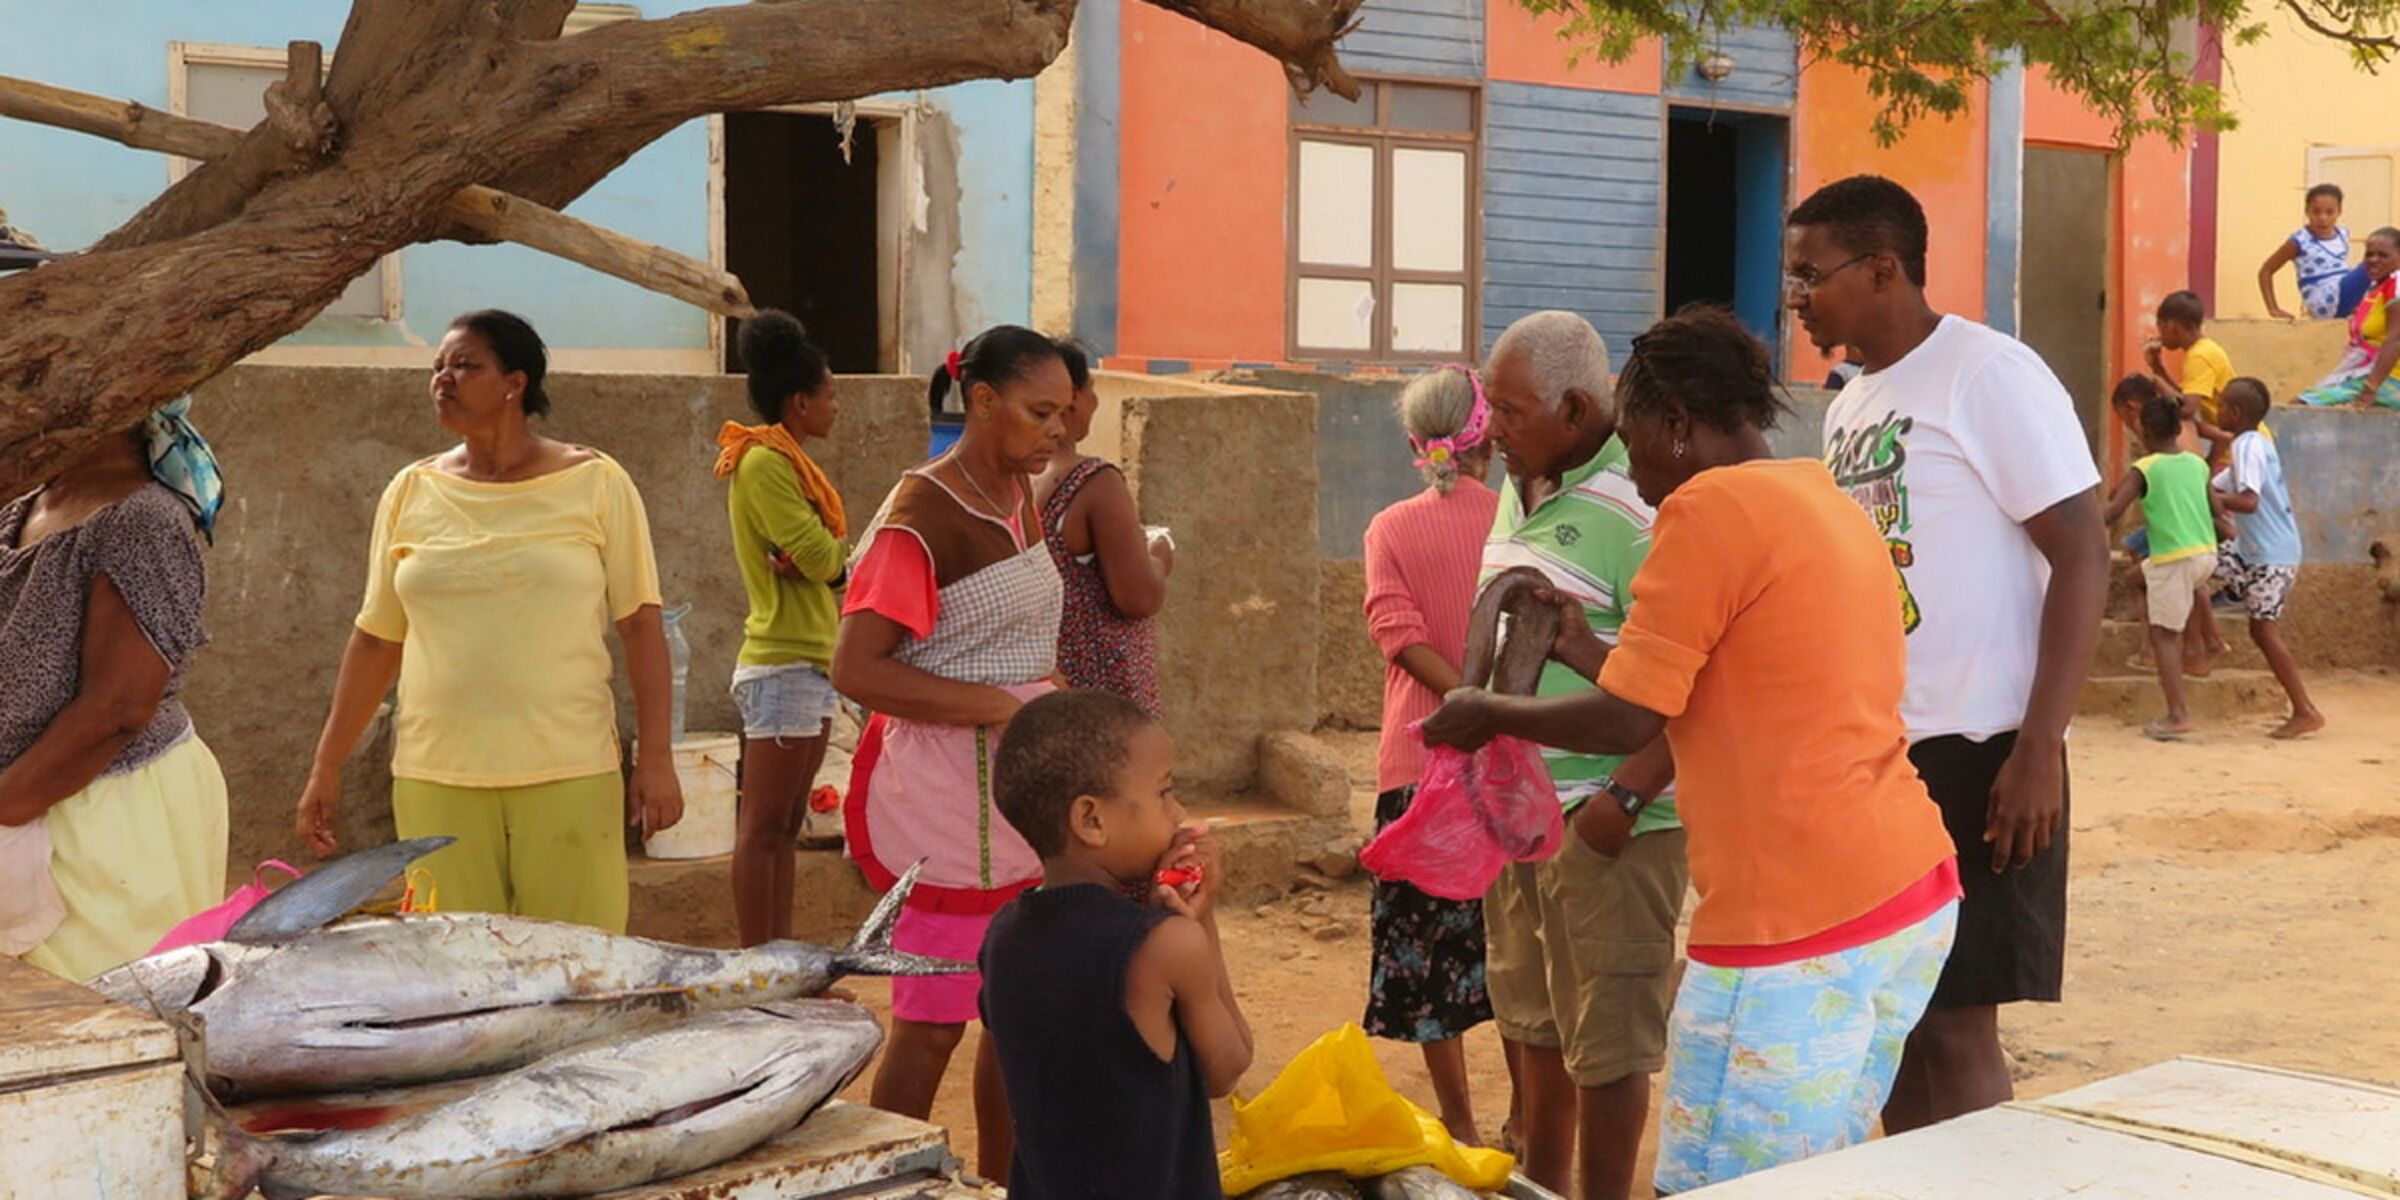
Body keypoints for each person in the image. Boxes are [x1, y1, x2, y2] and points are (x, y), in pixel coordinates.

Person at [1425, 306, 1959, 1193]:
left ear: (1675, 424)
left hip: (1794, 922)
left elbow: (1630, 721)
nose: (1632, 471)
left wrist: (1489, 711)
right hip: (1906, 894)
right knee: (1808, 1175)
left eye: (1633, 441)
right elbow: (1702, 685)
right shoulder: (1821, 496)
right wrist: (1576, 643)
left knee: (1709, 1184)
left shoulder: (1707, 506)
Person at [1790, 175, 2108, 1132]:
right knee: (1893, 1023)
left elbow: (2083, 552)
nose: (1798, 295)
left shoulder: (1987, 373)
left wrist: (2036, 749)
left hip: (1982, 753)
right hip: (1880, 755)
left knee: (1959, 1026)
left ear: (1883, 268)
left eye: (1813, 274)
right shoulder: (1850, 404)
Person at [294, 310, 682, 934]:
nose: (444, 379)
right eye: (438, 367)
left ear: (515, 383)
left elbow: (640, 625)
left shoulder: (597, 483)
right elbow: (375, 638)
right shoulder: (409, 492)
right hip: (436, 775)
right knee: (458, 975)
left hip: (568, 769)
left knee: (576, 971)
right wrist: (327, 763)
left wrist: (657, 757)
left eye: (465, 365)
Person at [831, 325, 1070, 1179]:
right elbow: (857, 667)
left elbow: (1024, 639)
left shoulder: (1017, 492)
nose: (1057, 432)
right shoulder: (919, 519)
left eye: (1064, 415)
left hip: (1015, 792)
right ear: (981, 401)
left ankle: (1005, 1184)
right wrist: (999, 707)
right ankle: (873, 1184)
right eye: (1040, 412)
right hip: (943, 801)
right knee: (931, 1023)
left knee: (1013, 1013)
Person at [1474, 310, 1685, 1200]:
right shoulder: (1519, 485)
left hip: (1609, 829)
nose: (1489, 430)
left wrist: (1620, 804)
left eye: (1508, 412)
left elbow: (1692, 684)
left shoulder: (1642, 506)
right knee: (1531, 1024)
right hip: (1518, 820)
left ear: (1572, 407)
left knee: (1607, 1048)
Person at [982, 689, 1251, 1200]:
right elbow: (1229, 1066)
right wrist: (1203, 918)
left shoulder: (1002, 935)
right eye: (1164, 792)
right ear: (1091, 820)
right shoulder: (1164, 945)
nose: (1178, 814)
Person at [1, 400, 228, 981]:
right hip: (30, 800)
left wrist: (5, 807)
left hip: (107, 810)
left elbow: (118, 710)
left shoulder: (141, 520)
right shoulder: (28, 505)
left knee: (101, 1016)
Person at [1358, 365, 1501, 1146]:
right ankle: (1529, 1113)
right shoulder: (1517, 518)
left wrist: (1454, 707)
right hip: (1510, 767)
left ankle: (1462, 1123)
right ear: (1492, 438)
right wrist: (1488, 709)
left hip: (1417, 769)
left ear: (1416, 442)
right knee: (1513, 954)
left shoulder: (1389, 528)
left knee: (1431, 960)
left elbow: (1398, 632)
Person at [716, 310, 849, 947]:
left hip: (809, 662)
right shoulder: (765, 463)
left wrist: (820, 560)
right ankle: (758, 966)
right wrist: (820, 559)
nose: (836, 406)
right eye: (830, 394)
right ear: (800, 402)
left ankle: (783, 963)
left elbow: (823, 564)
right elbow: (827, 560)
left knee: (785, 828)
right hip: (782, 662)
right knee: (764, 828)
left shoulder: (788, 463)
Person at [1032, 340, 1171, 716]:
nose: (1095, 401)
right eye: (1092, 388)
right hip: (1101, 695)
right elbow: (1137, 598)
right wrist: (1158, 554)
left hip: (1036, 685)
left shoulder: (1013, 480)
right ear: (1072, 397)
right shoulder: (1092, 481)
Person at [2210, 378, 2325, 738]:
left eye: (2223, 404)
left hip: (2271, 556)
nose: (2217, 410)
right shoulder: (2248, 445)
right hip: (2250, 551)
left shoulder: (2248, 445)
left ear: (2237, 413)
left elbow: (2248, 501)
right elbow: (2212, 485)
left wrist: (2216, 504)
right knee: (2195, 568)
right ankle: (2206, 645)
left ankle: (2305, 709)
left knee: (2263, 630)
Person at [2102, 393, 2221, 740]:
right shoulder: (2197, 465)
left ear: (2145, 429)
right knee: (2136, 577)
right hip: (2205, 556)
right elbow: (2215, 509)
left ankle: (2178, 714)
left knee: (2165, 635)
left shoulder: (2145, 469)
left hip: (2175, 559)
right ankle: (2192, 645)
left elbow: (2113, 512)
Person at [2299, 227, 2400, 410]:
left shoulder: (2397, 282)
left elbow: (2396, 338)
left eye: (2383, 255)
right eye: (2369, 254)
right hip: (2369, 374)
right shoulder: (2376, 288)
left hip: (2393, 380)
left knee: (2306, 403)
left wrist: (2371, 388)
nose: (2373, 260)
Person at [2143, 289, 2237, 465]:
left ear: (2172, 326)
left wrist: (2158, 382)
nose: (2160, 334)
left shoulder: (2199, 356)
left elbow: (2186, 408)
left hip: (2236, 452)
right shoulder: (2202, 350)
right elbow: (2185, 395)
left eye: (2161, 327)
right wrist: (2158, 368)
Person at [2259, 183, 2354, 321]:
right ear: (2307, 211)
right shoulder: (2299, 241)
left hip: (2344, 292)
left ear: (2339, 211)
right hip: (2321, 298)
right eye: (2316, 212)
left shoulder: (2343, 234)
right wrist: (2273, 308)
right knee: (2369, 269)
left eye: (2329, 212)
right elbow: (2266, 271)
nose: (2323, 218)